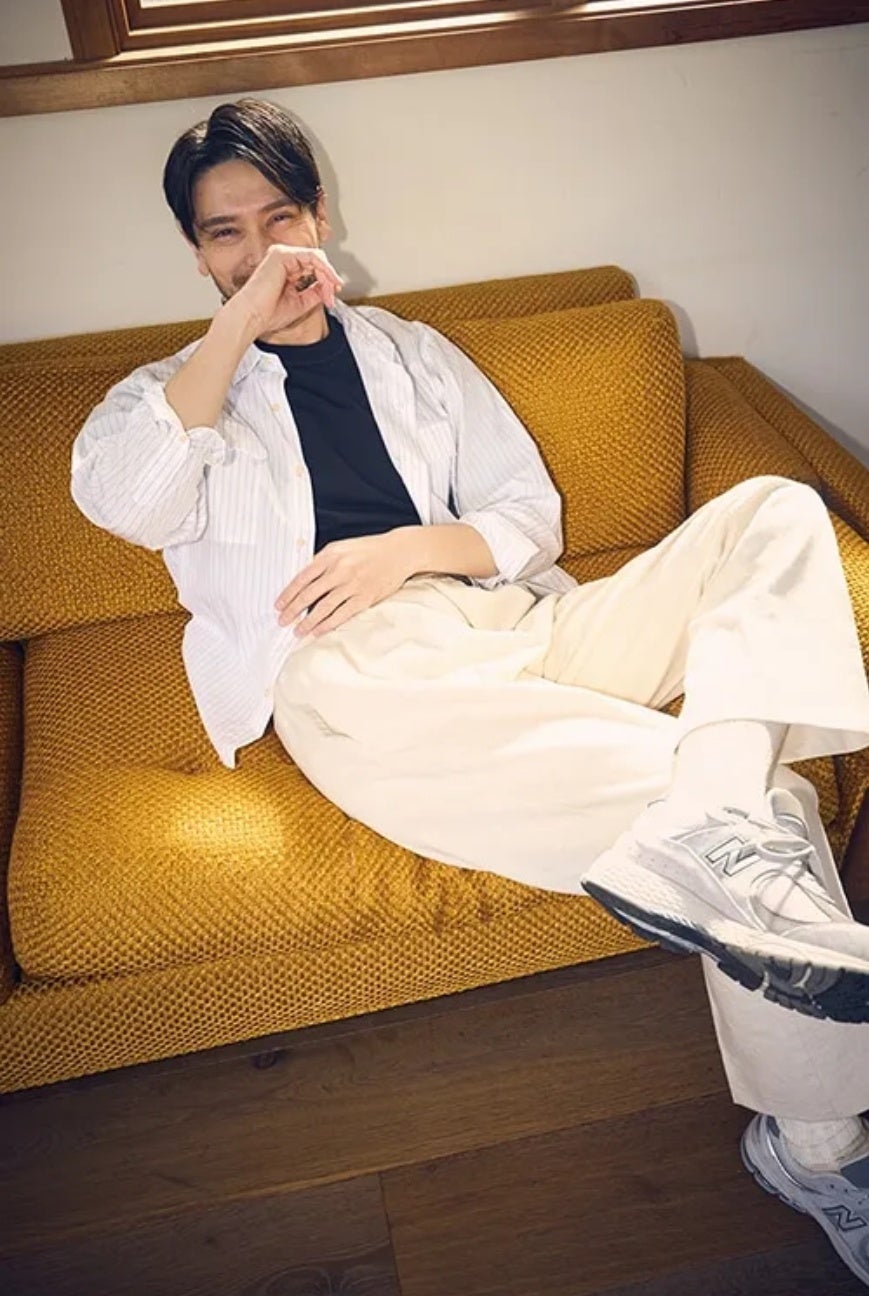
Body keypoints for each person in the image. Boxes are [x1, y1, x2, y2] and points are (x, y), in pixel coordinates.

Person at [71, 98, 869, 1283]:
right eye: (223, 234)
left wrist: (402, 550)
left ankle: (707, 812)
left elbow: (524, 515)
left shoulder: (411, 352)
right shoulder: (167, 394)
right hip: (352, 670)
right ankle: (816, 1148)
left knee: (772, 512)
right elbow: (124, 501)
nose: (257, 251)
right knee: (772, 805)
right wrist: (236, 329)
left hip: (513, 623)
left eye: (277, 218)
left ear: (319, 215)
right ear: (196, 254)